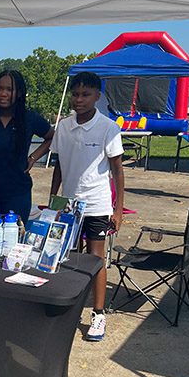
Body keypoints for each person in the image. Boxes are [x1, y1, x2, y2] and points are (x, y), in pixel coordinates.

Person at [49, 71, 125, 342]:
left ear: (97, 97)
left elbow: (117, 171)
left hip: (97, 204)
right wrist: (53, 200)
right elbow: (59, 165)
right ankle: (67, 307)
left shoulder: (108, 128)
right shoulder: (64, 126)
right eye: (75, 94)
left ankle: (98, 314)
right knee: (66, 256)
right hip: (69, 205)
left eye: (85, 95)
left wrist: (117, 209)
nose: (78, 100)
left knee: (95, 259)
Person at [0, 70, 54, 222]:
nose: (3, 94)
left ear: (19, 93)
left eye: (9, 89)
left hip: (17, 193)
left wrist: (33, 158)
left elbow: (51, 137)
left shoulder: (29, 119)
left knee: (14, 239)